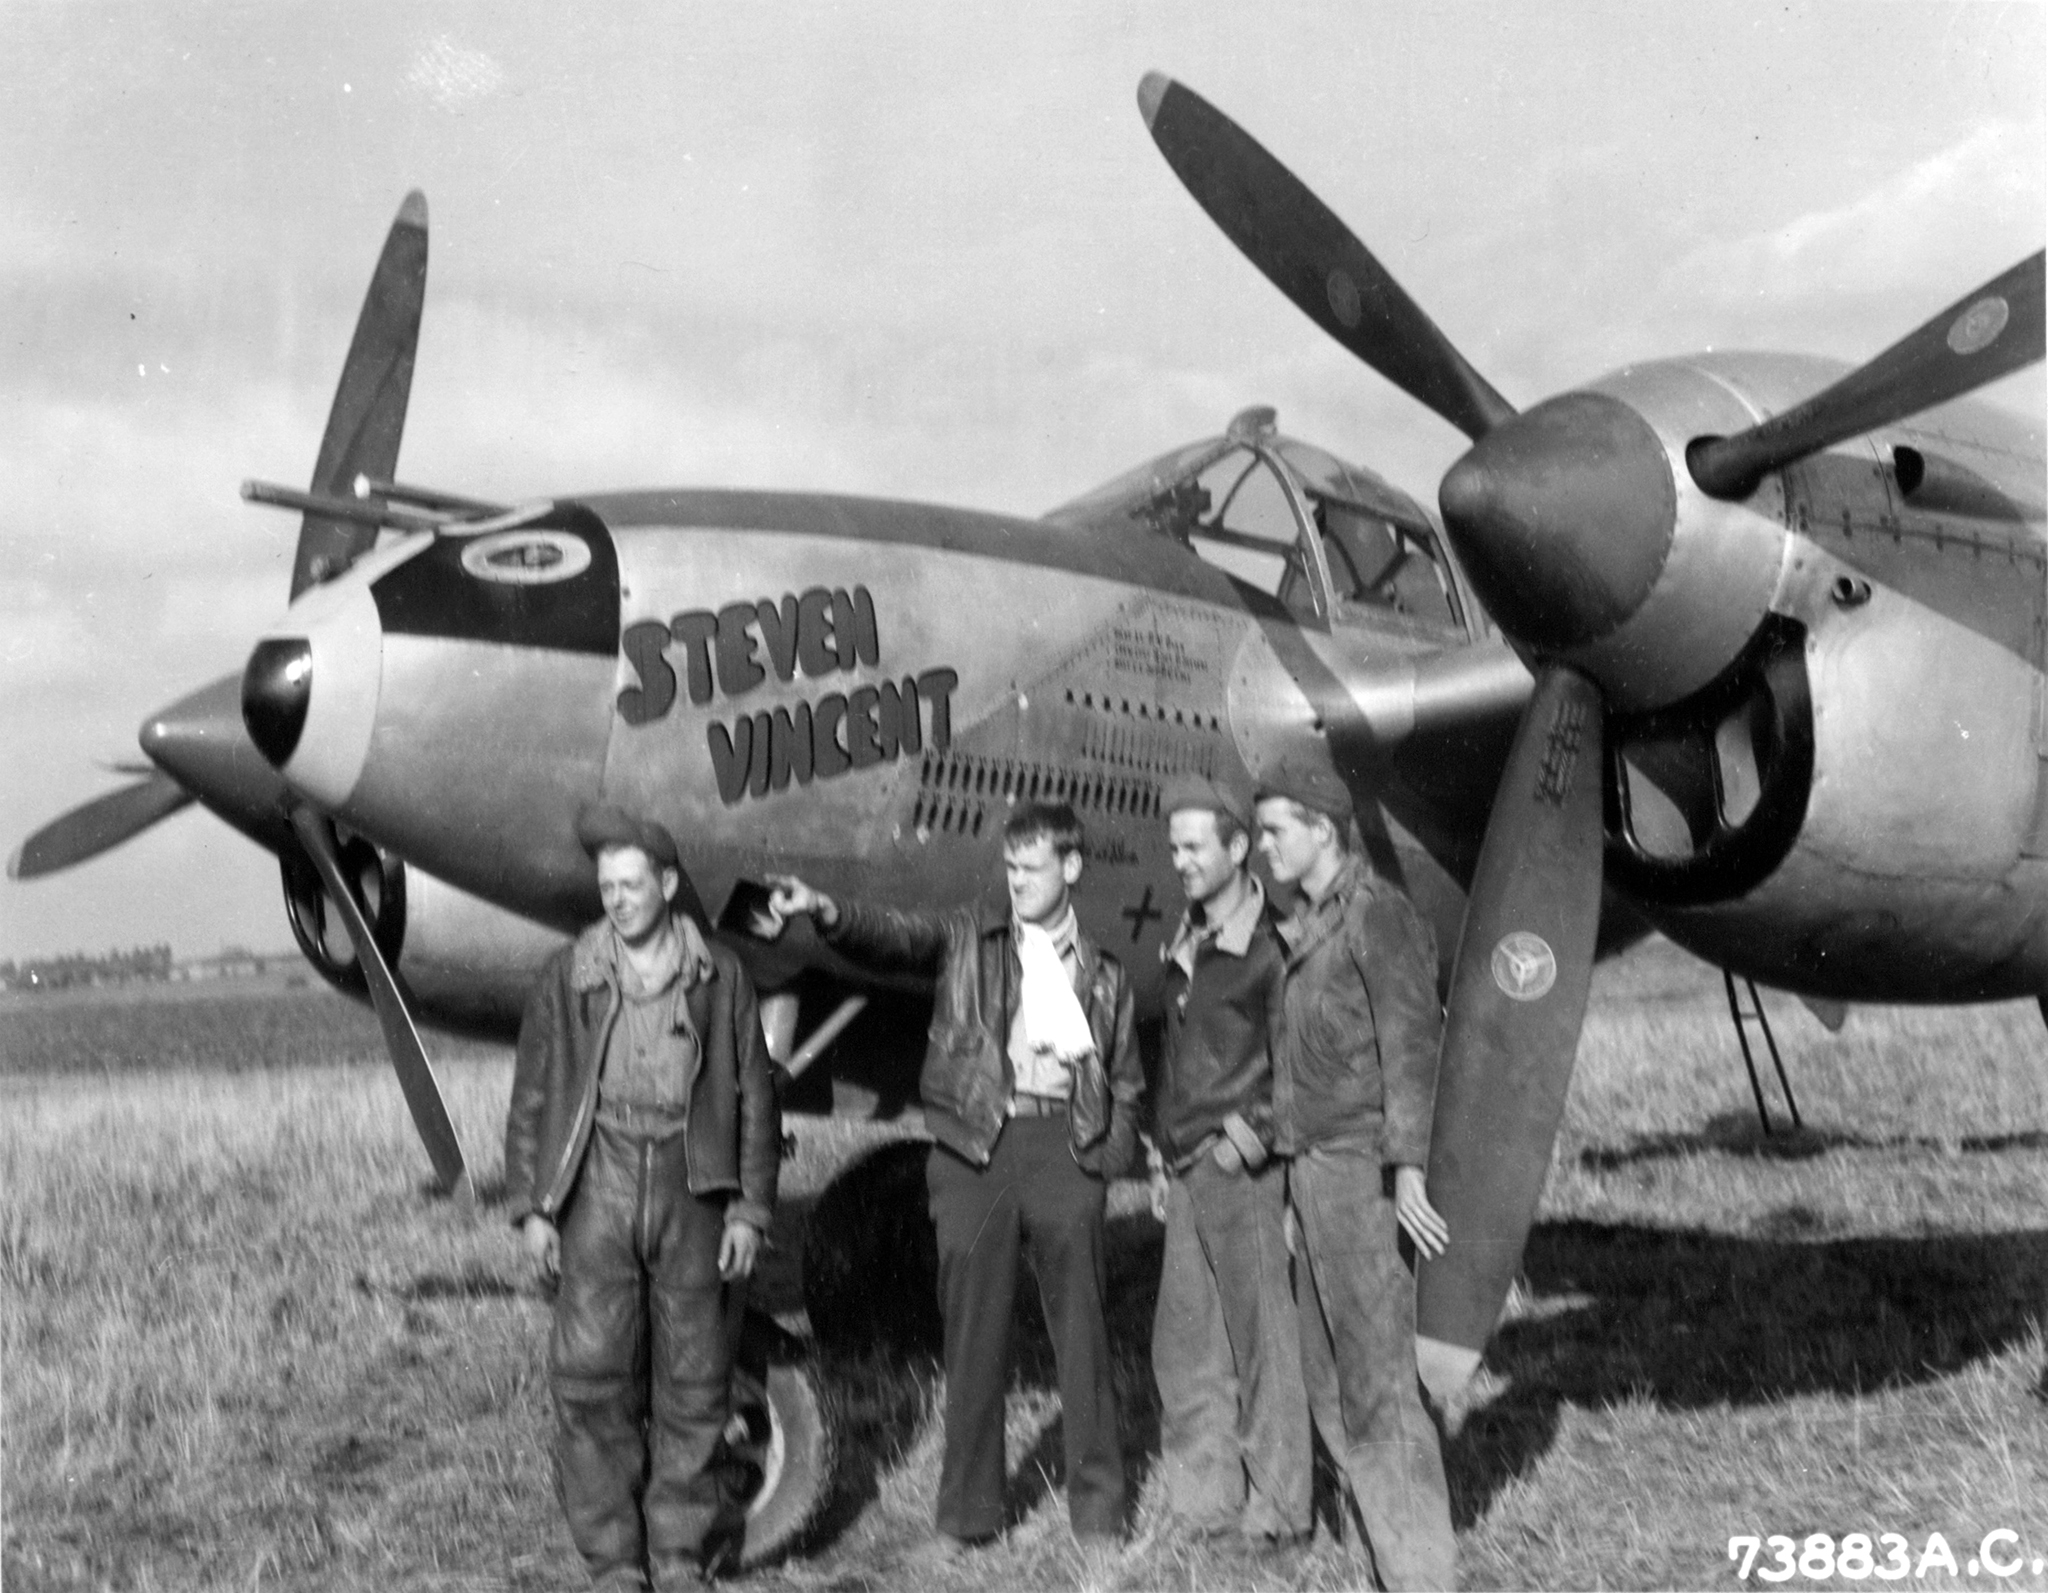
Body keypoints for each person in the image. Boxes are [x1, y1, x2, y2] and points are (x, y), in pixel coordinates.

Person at [761, 802, 1142, 1557]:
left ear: (1071, 868)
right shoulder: (970, 939)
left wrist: (1101, 1161)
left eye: (1033, 868)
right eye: (1011, 867)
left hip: (1063, 1149)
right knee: (972, 1336)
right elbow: (898, 936)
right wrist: (827, 911)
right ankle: (967, 1518)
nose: (1018, 881)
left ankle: (1099, 1516)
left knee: (1083, 1336)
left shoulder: (1104, 975)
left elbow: (1124, 1082)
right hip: (976, 1149)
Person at [504, 804, 780, 1591]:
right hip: (600, 1178)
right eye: (607, 887)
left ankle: (680, 1553)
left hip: (694, 1184)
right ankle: (615, 1562)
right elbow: (532, 1097)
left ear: (665, 882)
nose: (617, 899)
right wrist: (533, 1206)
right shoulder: (569, 974)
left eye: (631, 884)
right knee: (592, 1378)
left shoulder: (720, 975)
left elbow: (755, 1098)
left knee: (695, 1380)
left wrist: (749, 1208)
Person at [1253, 766, 1457, 1592]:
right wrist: (1294, 1188)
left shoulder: (1379, 915)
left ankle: (1419, 1574)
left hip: (1364, 1175)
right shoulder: (1309, 927)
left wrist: (1409, 1169)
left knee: (1380, 1387)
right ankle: (1382, 1553)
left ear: (1323, 828)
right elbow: (1295, 1073)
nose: (1263, 846)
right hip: (1314, 1177)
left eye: (1276, 830)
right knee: (1328, 1378)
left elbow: (1412, 1046)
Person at [1148, 774, 1311, 1543]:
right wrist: (1161, 1158)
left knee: (1263, 1342)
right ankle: (1205, 1502)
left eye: (1194, 847)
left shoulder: (1274, 948)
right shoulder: (1186, 941)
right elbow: (1174, 1059)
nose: (1179, 861)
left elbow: (1301, 1066)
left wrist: (1244, 1142)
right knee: (1185, 1344)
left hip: (1240, 1168)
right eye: (1174, 847)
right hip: (1186, 1166)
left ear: (1238, 846)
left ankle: (1280, 1511)